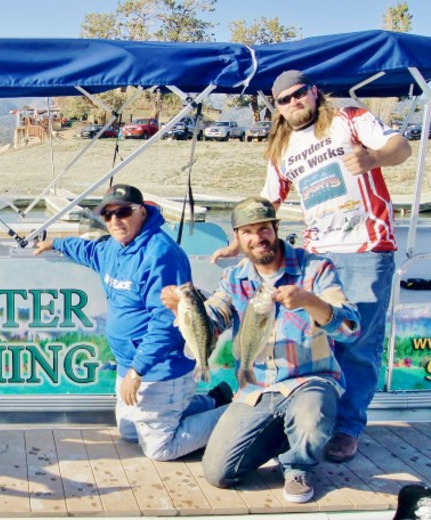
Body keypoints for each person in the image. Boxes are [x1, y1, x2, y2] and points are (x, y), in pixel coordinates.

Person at [211, 70, 412, 463]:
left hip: (365, 248)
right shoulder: (281, 149)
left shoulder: (349, 119)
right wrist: (238, 241)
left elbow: (400, 147)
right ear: (277, 107)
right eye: (283, 99)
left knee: (358, 344)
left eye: (300, 94)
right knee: (315, 340)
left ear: (315, 92)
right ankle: (309, 419)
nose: (293, 103)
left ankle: (348, 426)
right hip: (317, 254)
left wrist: (375, 157)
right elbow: (268, 201)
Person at [164, 197, 361, 503]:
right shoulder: (234, 279)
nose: (258, 238)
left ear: (276, 228)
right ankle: (285, 434)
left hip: (308, 380)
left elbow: (351, 329)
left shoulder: (316, 268)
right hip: (256, 387)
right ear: (238, 238)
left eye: (264, 228)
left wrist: (312, 302)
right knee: (218, 473)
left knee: (313, 411)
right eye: (248, 232)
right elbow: (214, 320)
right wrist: (185, 309)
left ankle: (298, 465)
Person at [34, 184, 231, 461]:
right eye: (108, 215)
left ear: (142, 212)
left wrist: (137, 372)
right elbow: (88, 251)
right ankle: (212, 399)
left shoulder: (160, 254)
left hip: (159, 368)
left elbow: (165, 322)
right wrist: (55, 243)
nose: (116, 220)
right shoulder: (114, 247)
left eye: (123, 212)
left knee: (160, 448)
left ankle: (237, 416)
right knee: (128, 431)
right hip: (128, 364)